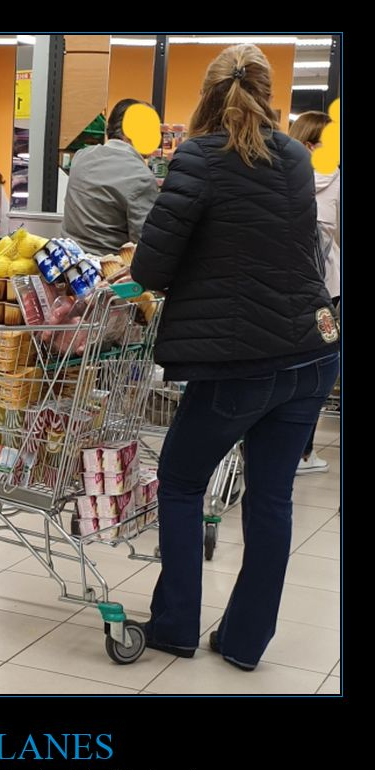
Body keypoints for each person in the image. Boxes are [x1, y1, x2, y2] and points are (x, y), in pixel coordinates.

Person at [130, 45, 339, 671]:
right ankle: (246, 643)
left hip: (239, 360)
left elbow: (152, 266)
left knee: (182, 479)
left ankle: (174, 627)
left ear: (205, 94)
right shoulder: (299, 158)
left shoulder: (197, 157)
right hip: (312, 352)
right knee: (271, 498)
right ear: (269, 93)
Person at [289, 111, 341, 475]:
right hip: (328, 293)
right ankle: (303, 452)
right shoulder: (336, 182)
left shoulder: (281, 180)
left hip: (286, 291)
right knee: (318, 374)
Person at [61, 99, 160, 255]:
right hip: (109, 271)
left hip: (69, 263)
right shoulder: (141, 177)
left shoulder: (81, 157)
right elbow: (144, 245)